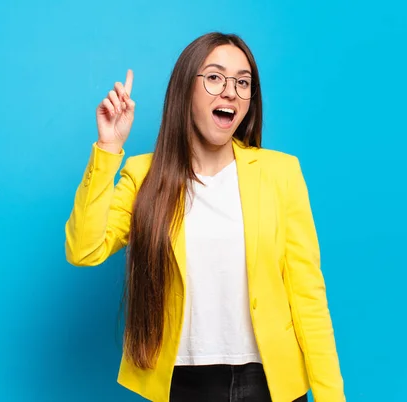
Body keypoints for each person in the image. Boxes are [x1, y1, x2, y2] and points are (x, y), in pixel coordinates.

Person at [65, 32, 345, 402]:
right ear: (186, 89)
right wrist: (108, 149)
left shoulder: (280, 174)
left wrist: (332, 396)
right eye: (214, 77)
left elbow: (308, 296)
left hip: (269, 382)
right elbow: (85, 250)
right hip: (181, 384)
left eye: (243, 82)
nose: (230, 91)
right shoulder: (143, 176)